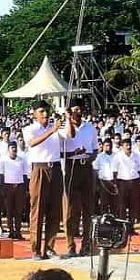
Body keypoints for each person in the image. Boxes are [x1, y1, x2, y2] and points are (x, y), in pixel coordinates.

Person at [23, 100, 63, 260]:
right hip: (39, 168)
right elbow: (32, 143)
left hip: (56, 168)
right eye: (41, 111)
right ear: (34, 114)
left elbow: (69, 139)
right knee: (37, 210)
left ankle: (49, 247)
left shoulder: (57, 128)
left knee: (54, 210)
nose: (45, 114)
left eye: (47, 111)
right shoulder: (29, 129)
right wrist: (51, 131)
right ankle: (35, 249)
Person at [58, 98, 96, 257]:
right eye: (75, 109)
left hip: (86, 167)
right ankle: (70, 244)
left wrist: (90, 157)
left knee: (88, 209)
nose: (78, 111)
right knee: (70, 210)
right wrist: (68, 119)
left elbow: (95, 149)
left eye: (80, 109)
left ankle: (86, 244)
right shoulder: (62, 128)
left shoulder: (90, 128)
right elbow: (70, 138)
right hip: (71, 167)